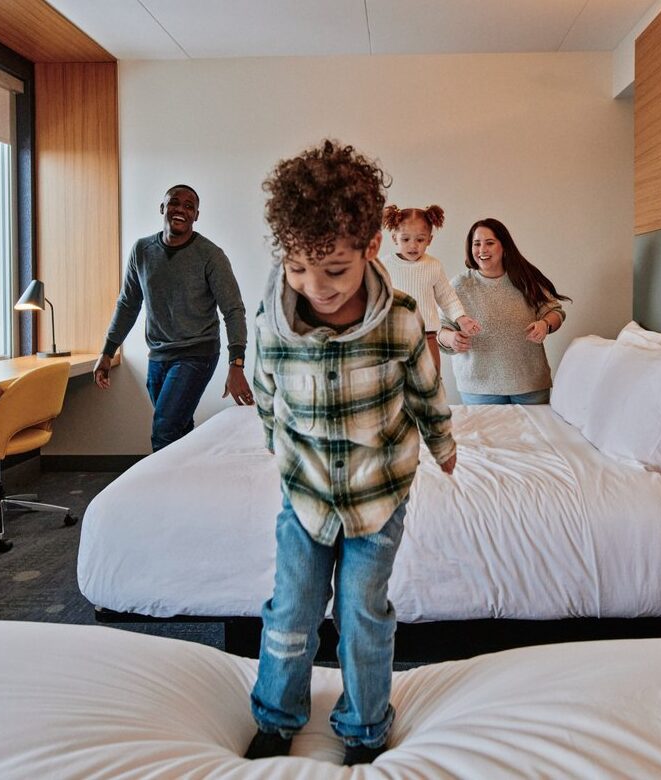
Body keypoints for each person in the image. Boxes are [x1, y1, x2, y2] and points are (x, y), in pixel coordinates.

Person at [246, 140, 457, 766]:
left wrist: (443, 444)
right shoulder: (272, 322)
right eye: (297, 269)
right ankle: (278, 715)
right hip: (306, 493)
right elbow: (266, 394)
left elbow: (426, 392)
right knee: (292, 608)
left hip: (377, 494)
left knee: (364, 612)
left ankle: (364, 728)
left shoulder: (401, 321)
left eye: (335, 270)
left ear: (371, 248)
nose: (316, 288)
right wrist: (275, 446)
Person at [92, 184, 252, 452]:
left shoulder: (210, 255)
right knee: (179, 429)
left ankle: (160, 482)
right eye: (174, 203)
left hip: (197, 353)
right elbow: (128, 304)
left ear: (196, 215)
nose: (181, 209)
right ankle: (193, 476)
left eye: (189, 206)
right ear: (162, 208)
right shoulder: (142, 251)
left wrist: (236, 364)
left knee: (164, 430)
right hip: (158, 355)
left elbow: (233, 310)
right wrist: (107, 351)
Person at [437, 217, 570, 404]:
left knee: (537, 426)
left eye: (490, 243)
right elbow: (440, 328)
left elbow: (556, 312)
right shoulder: (459, 285)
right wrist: (451, 338)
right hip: (479, 388)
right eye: (477, 244)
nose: (482, 249)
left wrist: (545, 324)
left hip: (530, 384)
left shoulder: (525, 279)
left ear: (504, 246)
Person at [379, 204, 480, 369]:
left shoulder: (433, 266)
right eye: (405, 239)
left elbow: (446, 297)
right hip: (394, 338)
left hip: (427, 337)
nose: (413, 245)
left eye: (420, 240)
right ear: (394, 238)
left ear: (429, 240)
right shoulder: (384, 265)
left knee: (431, 380)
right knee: (394, 381)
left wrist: (461, 319)